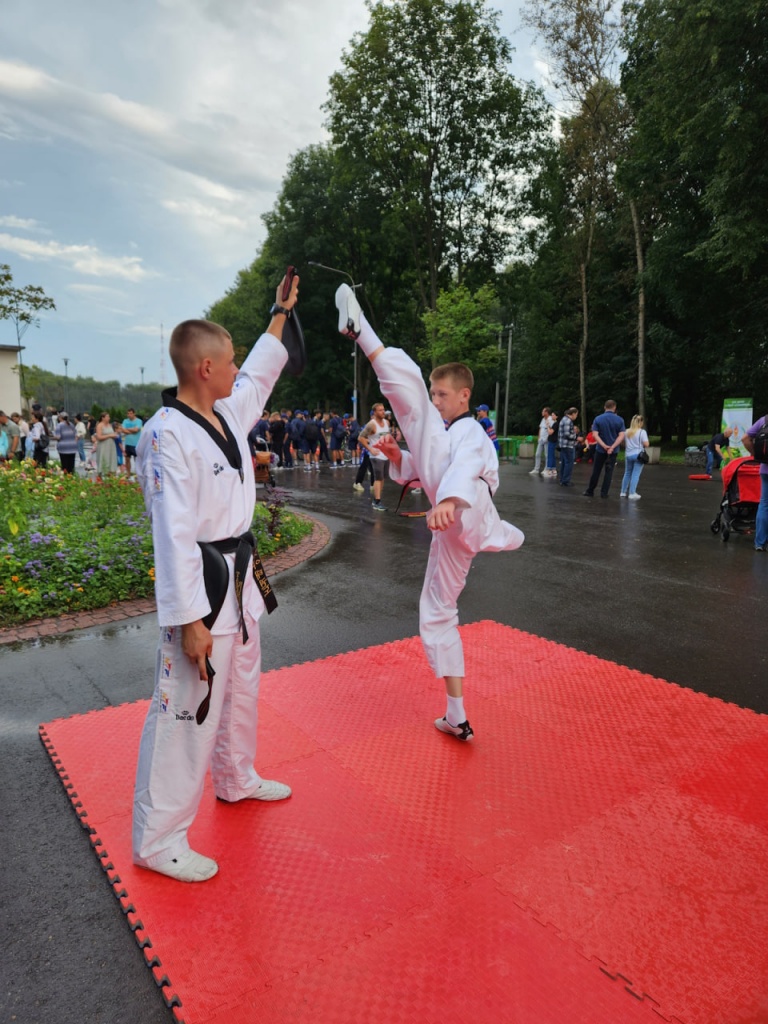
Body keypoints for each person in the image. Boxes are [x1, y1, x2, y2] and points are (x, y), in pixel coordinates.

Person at [132, 272, 299, 884]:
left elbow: (258, 374)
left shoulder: (226, 411)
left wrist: (279, 314)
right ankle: (159, 838)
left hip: (239, 575)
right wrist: (188, 620)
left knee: (241, 688)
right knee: (186, 708)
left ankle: (235, 776)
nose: (235, 372)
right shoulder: (166, 436)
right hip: (200, 582)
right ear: (204, 367)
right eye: (226, 363)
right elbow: (171, 534)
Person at [335, 284, 524, 741]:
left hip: (467, 508)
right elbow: (420, 473)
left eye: (443, 394)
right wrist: (397, 455)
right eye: (435, 394)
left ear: (464, 396)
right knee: (438, 612)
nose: (438, 401)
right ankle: (455, 713)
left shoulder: (470, 433)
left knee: (412, 405)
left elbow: (462, 469)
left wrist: (448, 501)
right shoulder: (444, 437)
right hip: (456, 530)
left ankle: (364, 334)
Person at [583, 401, 626, 498]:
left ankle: (590, 491)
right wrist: (612, 447)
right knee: (609, 472)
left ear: (604, 407)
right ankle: (604, 493)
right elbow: (621, 435)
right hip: (613, 451)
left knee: (596, 470)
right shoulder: (620, 420)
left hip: (600, 450)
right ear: (614, 407)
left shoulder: (598, 419)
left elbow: (595, 434)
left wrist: (604, 445)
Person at [742, 415, 768, 552]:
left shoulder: (764, 420)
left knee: (764, 504)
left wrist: (757, 456)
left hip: (765, 468)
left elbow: (745, 438)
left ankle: (760, 543)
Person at [358, 402, 391, 511]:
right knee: (378, 478)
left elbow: (387, 436)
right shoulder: (371, 425)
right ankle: (377, 501)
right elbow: (361, 438)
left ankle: (378, 499)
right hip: (376, 455)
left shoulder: (387, 422)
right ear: (375, 412)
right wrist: (370, 449)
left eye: (383, 409)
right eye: (380, 410)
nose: (383, 412)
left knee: (383, 478)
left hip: (385, 454)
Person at [619, 415, 650, 500]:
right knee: (635, 474)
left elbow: (622, 443)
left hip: (628, 455)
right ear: (640, 422)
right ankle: (632, 493)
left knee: (627, 473)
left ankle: (623, 492)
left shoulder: (626, 431)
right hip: (638, 455)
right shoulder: (642, 432)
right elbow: (646, 444)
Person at [557, 408, 581, 486]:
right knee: (569, 463)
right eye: (576, 414)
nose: (576, 416)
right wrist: (576, 437)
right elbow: (567, 434)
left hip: (563, 445)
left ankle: (562, 479)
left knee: (564, 462)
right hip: (568, 445)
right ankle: (566, 481)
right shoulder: (568, 421)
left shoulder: (563, 419)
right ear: (573, 413)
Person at [93, 411, 118, 477]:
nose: (109, 418)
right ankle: (101, 477)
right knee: (104, 460)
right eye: (107, 417)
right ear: (103, 418)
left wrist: (114, 435)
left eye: (109, 417)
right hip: (103, 447)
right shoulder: (100, 425)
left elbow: (113, 434)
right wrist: (110, 435)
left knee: (111, 460)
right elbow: (99, 437)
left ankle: (111, 475)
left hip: (111, 446)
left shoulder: (110, 425)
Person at [121, 408, 143, 477]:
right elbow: (122, 430)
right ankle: (128, 473)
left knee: (137, 459)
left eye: (130, 413)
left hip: (136, 443)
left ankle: (138, 473)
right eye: (128, 413)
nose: (129, 415)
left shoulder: (138, 421)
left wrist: (127, 430)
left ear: (134, 413)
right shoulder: (125, 421)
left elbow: (136, 430)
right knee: (127, 459)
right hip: (128, 443)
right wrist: (132, 430)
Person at [530, 407, 551, 475]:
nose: (542, 412)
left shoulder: (550, 419)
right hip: (541, 439)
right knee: (537, 454)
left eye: (543, 411)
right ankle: (536, 469)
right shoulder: (543, 419)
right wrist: (539, 437)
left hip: (546, 439)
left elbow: (551, 429)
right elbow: (540, 428)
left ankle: (546, 469)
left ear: (546, 412)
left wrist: (548, 438)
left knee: (546, 455)